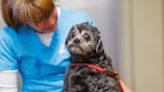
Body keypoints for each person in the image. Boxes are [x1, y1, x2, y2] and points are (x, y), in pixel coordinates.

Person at [0, 0, 132, 92]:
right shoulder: (9, 38)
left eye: (51, 12)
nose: (51, 22)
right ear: (24, 20)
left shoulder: (79, 21)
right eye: (40, 20)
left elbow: (100, 69)